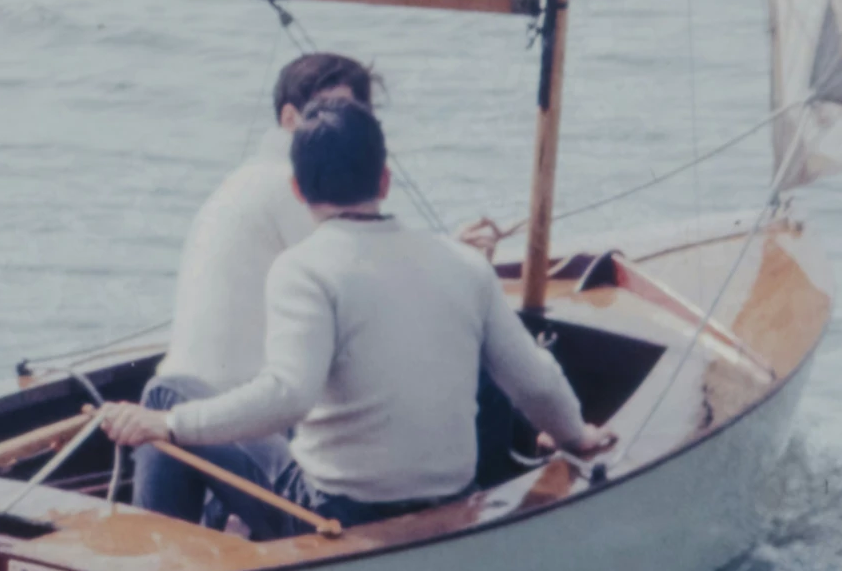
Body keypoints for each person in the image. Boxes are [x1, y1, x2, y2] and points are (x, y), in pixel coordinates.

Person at [106, 97, 614, 537]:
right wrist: (575, 436)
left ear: (299, 190)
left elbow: (288, 397)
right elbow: (535, 382)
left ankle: (160, 565)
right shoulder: (464, 265)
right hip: (450, 497)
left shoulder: (302, 269)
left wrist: (167, 426)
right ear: (386, 180)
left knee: (165, 395)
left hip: (335, 513)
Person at [132, 53, 376, 525]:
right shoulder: (287, 186)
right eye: (328, 113)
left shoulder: (246, 179)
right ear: (289, 118)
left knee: (162, 397)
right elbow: (362, 288)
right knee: (167, 401)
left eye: (355, 117)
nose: (341, 128)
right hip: (231, 416)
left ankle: (161, 558)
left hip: (208, 409)